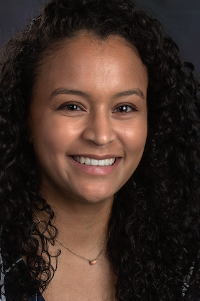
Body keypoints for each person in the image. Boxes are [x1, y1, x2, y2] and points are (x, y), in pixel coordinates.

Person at [0, 0, 200, 300]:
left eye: (124, 107)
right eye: (72, 106)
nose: (101, 135)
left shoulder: (186, 264)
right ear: (25, 117)